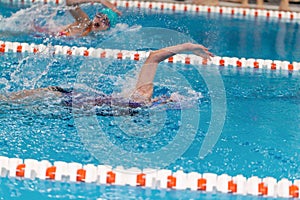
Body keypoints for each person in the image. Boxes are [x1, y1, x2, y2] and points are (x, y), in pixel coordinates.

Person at [0, 43, 213, 113]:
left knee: (40, 94)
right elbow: (154, 58)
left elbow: (154, 57)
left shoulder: (142, 99)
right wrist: (189, 47)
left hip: (77, 100)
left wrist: (189, 47)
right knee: (36, 96)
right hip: (77, 101)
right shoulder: (141, 101)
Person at [35, 0, 122, 37]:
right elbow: (70, 2)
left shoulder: (94, 36)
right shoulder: (85, 22)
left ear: (108, 27)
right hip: (40, 33)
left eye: (105, 20)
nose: (99, 20)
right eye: (99, 16)